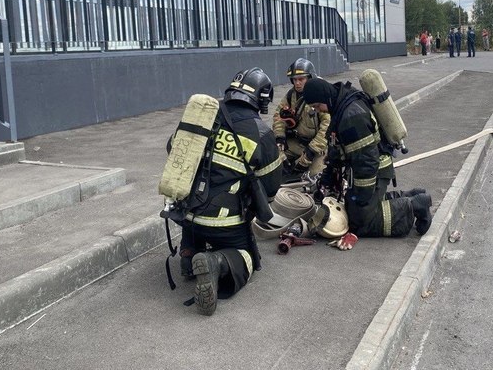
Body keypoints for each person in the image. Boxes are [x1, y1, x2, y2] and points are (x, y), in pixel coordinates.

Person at [170, 67, 282, 316]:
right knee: (247, 256)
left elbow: (173, 149)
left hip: (186, 214)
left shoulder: (203, 116)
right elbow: (272, 186)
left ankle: (189, 254)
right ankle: (215, 262)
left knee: (197, 214)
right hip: (226, 223)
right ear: (262, 98)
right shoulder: (261, 133)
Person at [302, 78, 433, 242]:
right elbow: (337, 147)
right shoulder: (340, 103)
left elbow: (367, 161)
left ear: (325, 97)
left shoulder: (351, 118)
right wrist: (328, 177)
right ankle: (410, 195)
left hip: (375, 170)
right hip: (367, 169)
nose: (318, 110)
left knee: (361, 222)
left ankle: (415, 205)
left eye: (317, 106)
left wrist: (362, 195)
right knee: (355, 208)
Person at [272, 58, 330, 181]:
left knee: (315, 178)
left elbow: (327, 126)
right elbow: (278, 116)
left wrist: (311, 151)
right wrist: (280, 138)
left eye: (301, 79)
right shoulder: (290, 95)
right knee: (271, 161)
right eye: (294, 80)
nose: (297, 83)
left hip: (318, 147)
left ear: (310, 78)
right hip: (295, 143)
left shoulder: (320, 94)